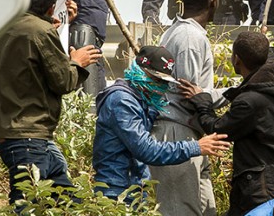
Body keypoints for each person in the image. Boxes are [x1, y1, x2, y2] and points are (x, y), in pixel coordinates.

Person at [0, 0, 103, 204]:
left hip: (15, 133)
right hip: (29, 135)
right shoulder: (40, 31)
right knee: (26, 209)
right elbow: (64, 81)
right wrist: (77, 61)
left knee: (67, 200)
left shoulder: (2, 25)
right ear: (51, 7)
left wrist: (46, 26)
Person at [186, 31, 274, 216]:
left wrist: (202, 102)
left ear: (236, 59)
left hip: (264, 183)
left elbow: (219, 129)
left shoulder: (251, 101)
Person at [92, 46, 229, 201]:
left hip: (135, 189)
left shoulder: (140, 100)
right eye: (155, 79)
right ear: (140, 70)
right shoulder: (121, 101)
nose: (159, 85)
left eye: (163, 81)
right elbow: (146, 149)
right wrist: (196, 147)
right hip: (115, 191)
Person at [150, 0, 224, 216]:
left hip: (191, 134)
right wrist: (235, 93)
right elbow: (190, 94)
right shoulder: (190, 38)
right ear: (213, 1)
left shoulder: (179, 31)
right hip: (176, 129)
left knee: (207, 215)